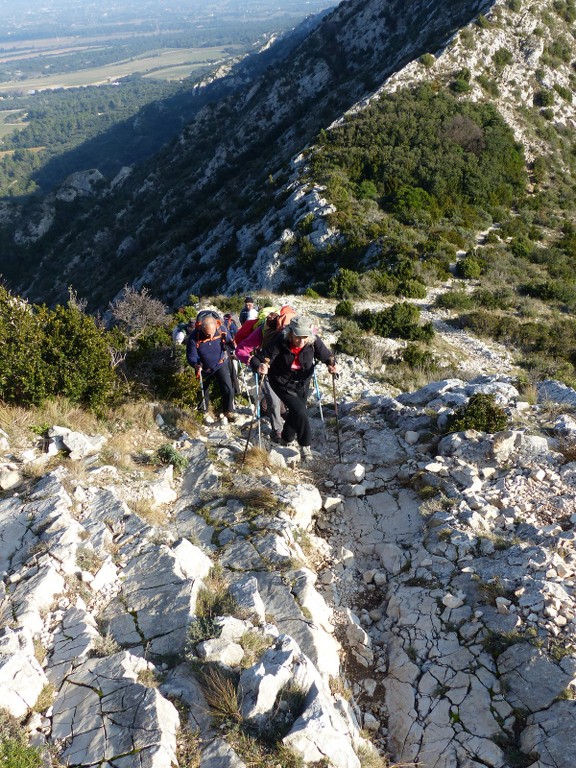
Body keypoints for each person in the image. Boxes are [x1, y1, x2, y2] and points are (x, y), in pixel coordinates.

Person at [250, 315, 338, 461]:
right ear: (291, 333)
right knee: (300, 411)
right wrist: (260, 366)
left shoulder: (313, 341)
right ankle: (305, 447)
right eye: (297, 337)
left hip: (303, 383)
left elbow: (327, 356)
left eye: (305, 337)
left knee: (295, 413)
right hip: (280, 382)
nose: (301, 341)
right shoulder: (281, 339)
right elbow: (258, 358)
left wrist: (332, 365)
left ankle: (286, 438)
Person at [236, 306, 295, 443]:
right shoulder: (263, 330)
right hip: (266, 367)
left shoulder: (298, 330)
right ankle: (277, 431)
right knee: (273, 399)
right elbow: (241, 349)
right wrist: (252, 362)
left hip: (287, 370)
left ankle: (280, 415)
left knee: (285, 398)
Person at [186, 314, 236, 421]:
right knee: (203, 391)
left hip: (220, 364)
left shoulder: (221, 330)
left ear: (216, 327)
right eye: (207, 334)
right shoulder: (194, 337)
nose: (210, 337)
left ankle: (228, 411)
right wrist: (196, 364)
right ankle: (203, 412)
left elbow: (229, 342)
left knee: (228, 389)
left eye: (212, 334)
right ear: (201, 329)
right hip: (203, 368)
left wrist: (233, 347)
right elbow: (191, 355)